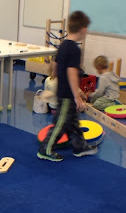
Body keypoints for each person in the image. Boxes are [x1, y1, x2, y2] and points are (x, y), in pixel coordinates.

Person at [37, 11, 98, 161]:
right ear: (83, 29)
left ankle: (80, 147)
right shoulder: (75, 49)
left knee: (72, 122)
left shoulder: (63, 45)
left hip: (63, 91)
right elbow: (72, 73)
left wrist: (56, 77)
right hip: (67, 94)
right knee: (61, 123)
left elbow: (55, 64)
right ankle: (46, 149)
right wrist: (77, 96)